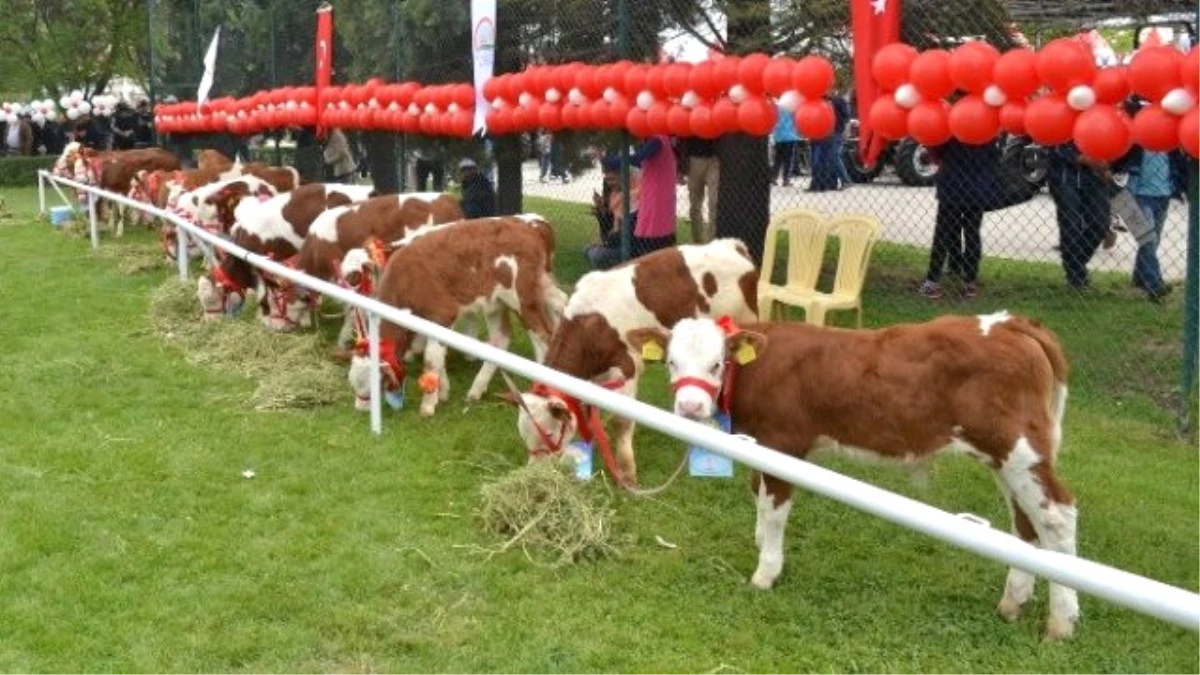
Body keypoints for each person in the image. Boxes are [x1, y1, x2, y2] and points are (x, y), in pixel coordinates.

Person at [918, 138, 1000, 300]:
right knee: (972, 234)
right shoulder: (987, 130)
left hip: (952, 186)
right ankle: (970, 282)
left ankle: (933, 281)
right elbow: (995, 156)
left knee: (943, 233)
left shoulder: (951, 126)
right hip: (977, 187)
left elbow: (937, 151)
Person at [1048, 141, 1114, 291]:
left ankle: (1076, 264)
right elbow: (1053, 142)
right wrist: (1083, 158)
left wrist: (1111, 167)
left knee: (1100, 223)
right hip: (1066, 177)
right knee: (1071, 225)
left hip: (1096, 177)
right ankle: (1076, 276)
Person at [1127, 146, 1184, 302]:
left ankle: (1139, 278)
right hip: (1138, 196)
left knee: (1153, 240)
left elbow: (1180, 167)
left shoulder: (1170, 146)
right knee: (1147, 240)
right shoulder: (1136, 144)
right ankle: (1155, 284)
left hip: (1163, 196)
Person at [584, 156, 641, 270]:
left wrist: (605, 242)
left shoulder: (634, 195)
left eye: (612, 179)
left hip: (634, 246)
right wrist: (601, 210)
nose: (610, 183)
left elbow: (626, 230)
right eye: (607, 180)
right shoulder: (615, 195)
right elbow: (614, 225)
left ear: (623, 176)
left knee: (596, 254)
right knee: (588, 249)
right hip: (618, 241)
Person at [628, 134, 678, 256]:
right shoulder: (662, 141)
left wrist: (608, 160)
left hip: (656, 199)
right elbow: (641, 162)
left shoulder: (657, 141)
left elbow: (637, 158)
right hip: (657, 197)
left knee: (651, 237)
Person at [683, 136, 718, 244]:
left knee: (714, 204)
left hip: (714, 158)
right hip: (694, 158)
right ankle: (697, 242)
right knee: (695, 205)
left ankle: (712, 242)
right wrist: (683, 164)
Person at [771, 102, 800, 187]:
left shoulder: (776, 106)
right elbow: (796, 120)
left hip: (779, 136)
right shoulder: (793, 107)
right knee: (788, 159)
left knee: (778, 158)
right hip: (790, 136)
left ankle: (774, 177)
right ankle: (786, 179)